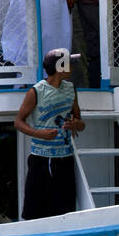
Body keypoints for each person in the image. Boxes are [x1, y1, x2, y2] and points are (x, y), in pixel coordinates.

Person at [14, 48, 85, 220]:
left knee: (65, 211)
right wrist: (40, 134)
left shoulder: (70, 89)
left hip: (64, 159)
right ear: (60, 67)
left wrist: (75, 123)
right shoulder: (37, 91)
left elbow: (80, 123)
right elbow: (18, 122)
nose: (72, 68)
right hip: (41, 159)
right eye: (69, 64)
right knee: (35, 212)